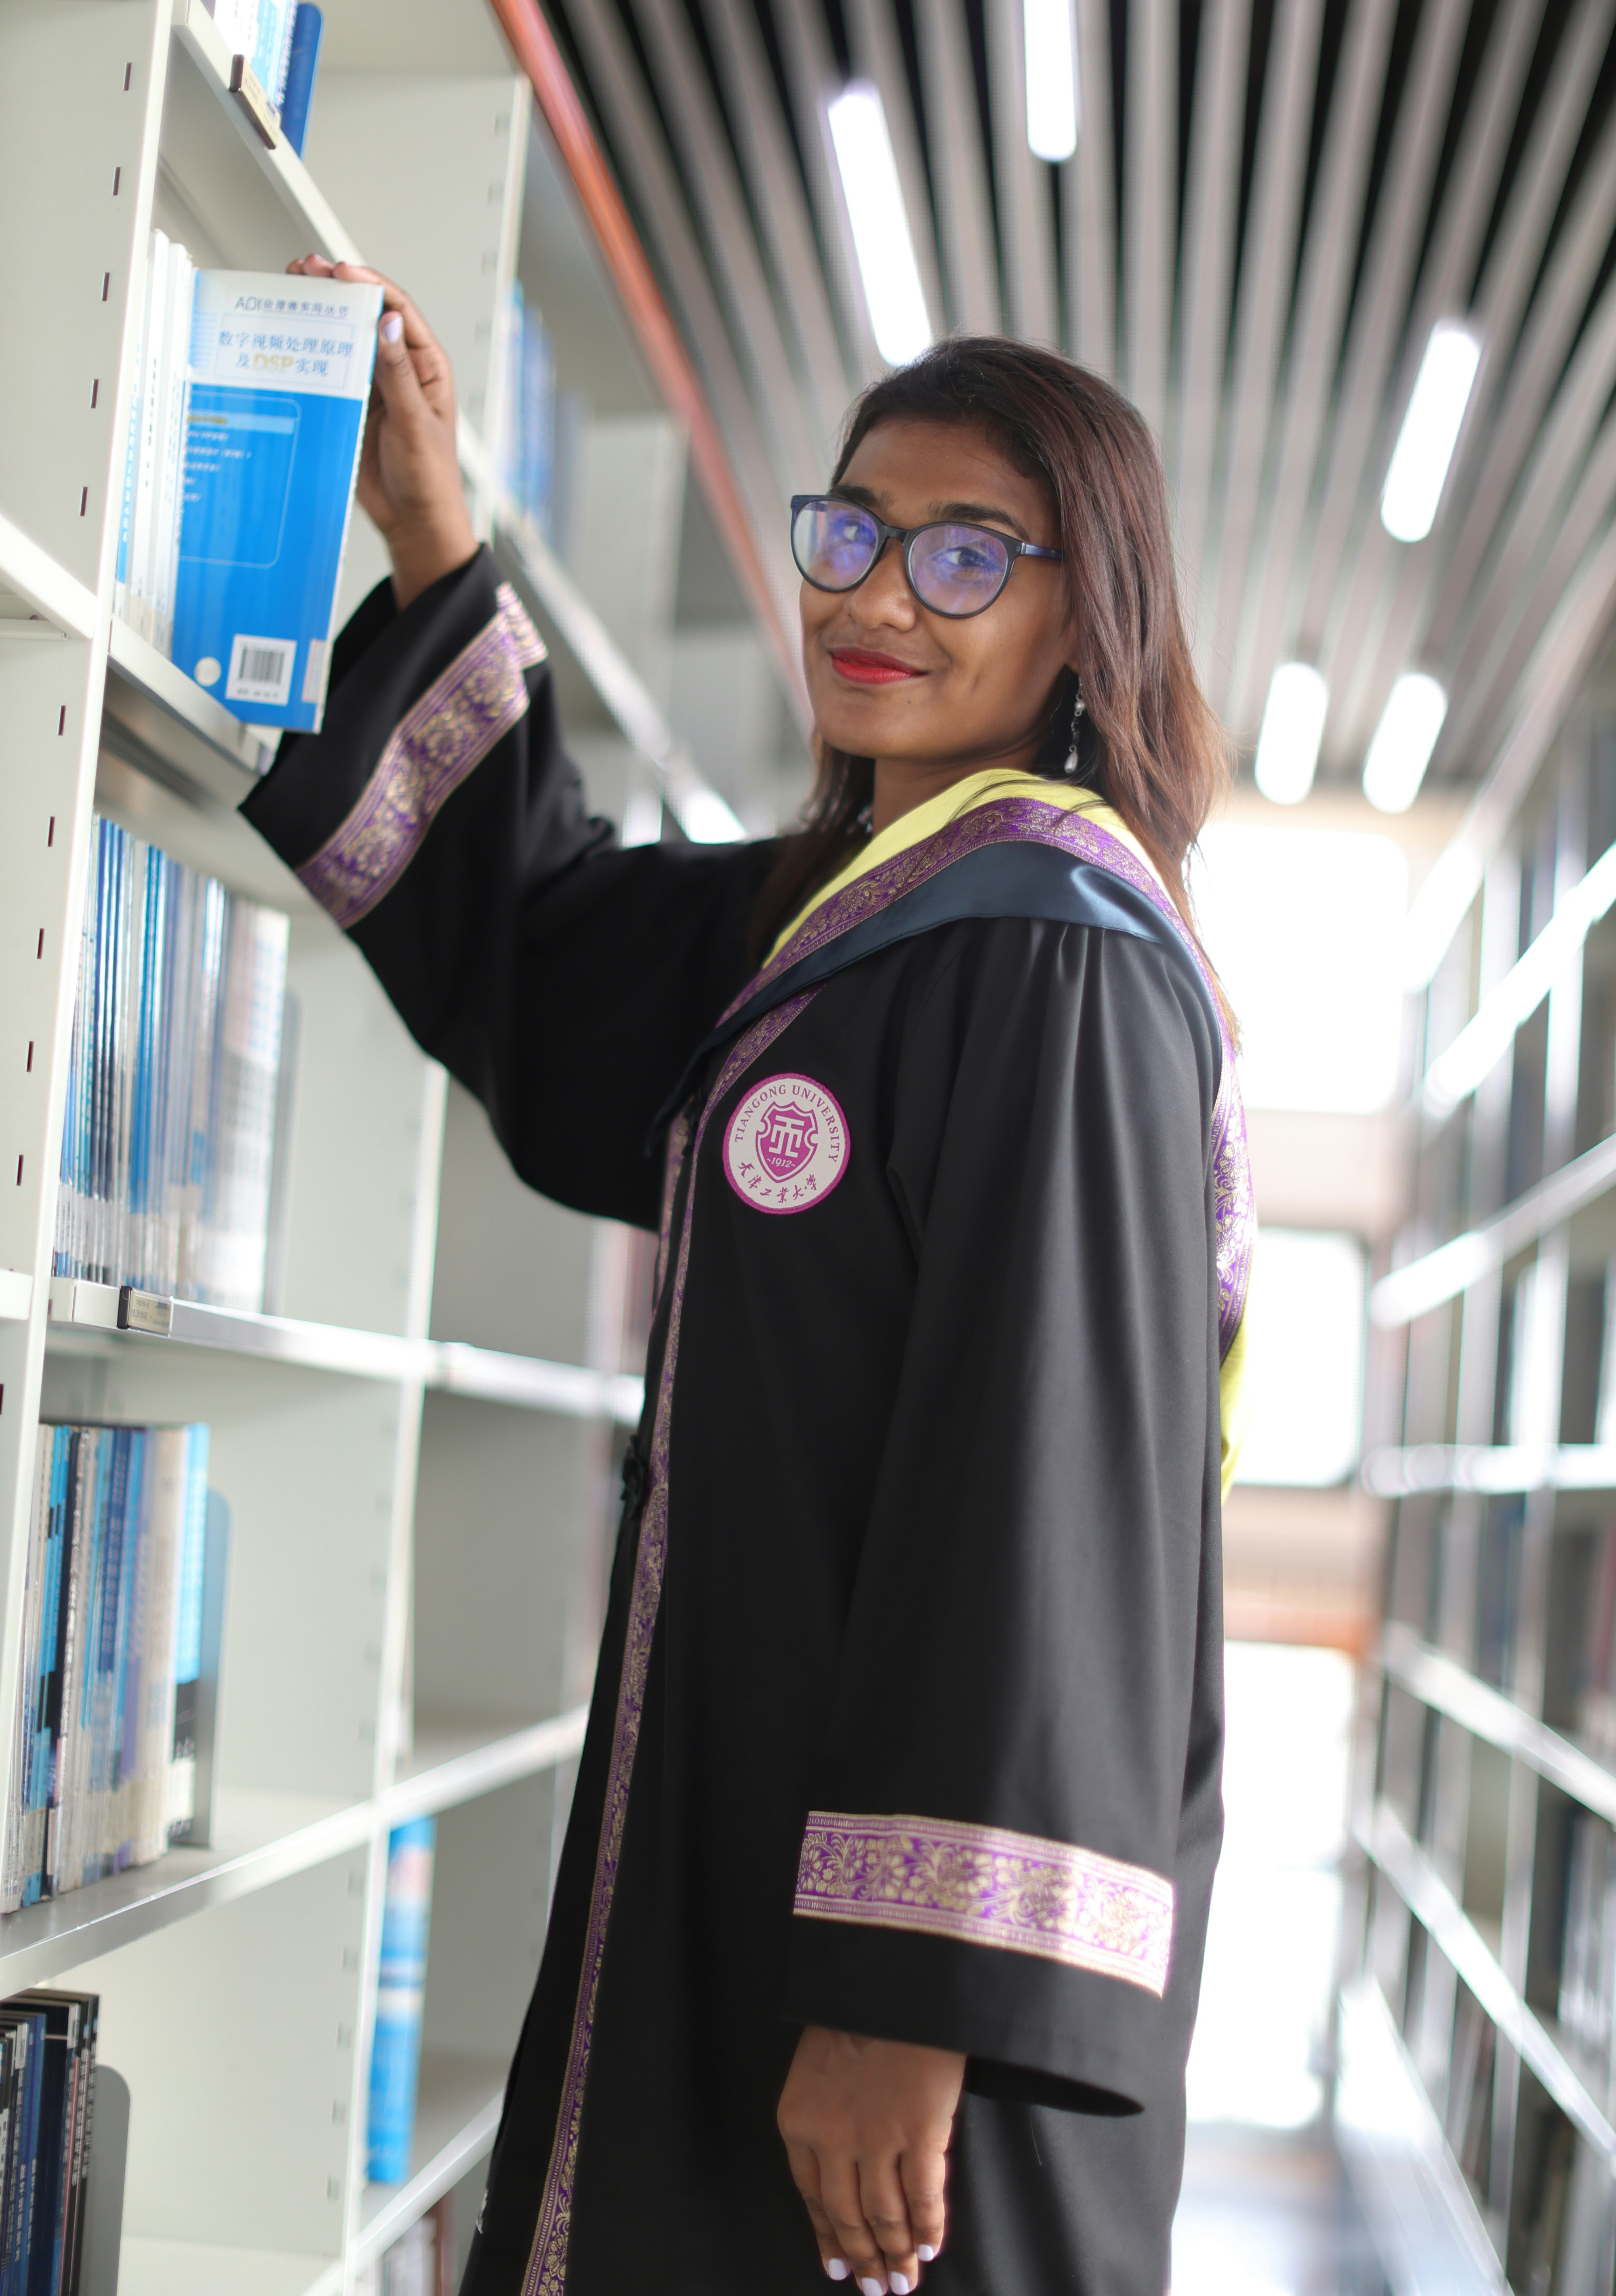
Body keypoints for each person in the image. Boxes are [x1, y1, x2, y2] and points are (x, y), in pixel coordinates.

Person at [246, 259, 1254, 2296]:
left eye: (968, 555)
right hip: (731, 1850)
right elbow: (547, 954)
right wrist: (434, 528)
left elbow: (1040, 1500)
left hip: (883, 1972)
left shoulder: (1050, 957)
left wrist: (913, 2003)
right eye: (853, 532)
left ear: (1086, 618)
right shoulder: (850, 920)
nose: (880, 598)